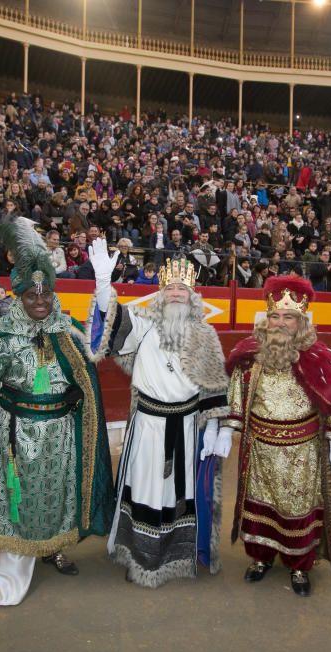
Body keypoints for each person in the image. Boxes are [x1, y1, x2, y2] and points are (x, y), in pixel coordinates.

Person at [0, 217, 115, 606]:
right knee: (18, 500)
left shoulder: (68, 331)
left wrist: (104, 289)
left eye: (46, 294)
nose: (40, 301)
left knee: (57, 496)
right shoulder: (1, 333)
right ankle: (13, 565)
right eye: (32, 295)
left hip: (62, 434)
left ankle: (52, 548)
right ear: (19, 295)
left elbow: (96, 356)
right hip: (16, 435)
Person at [89, 241, 229, 588]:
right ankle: (137, 555)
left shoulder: (205, 335)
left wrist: (216, 427)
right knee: (144, 488)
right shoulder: (143, 325)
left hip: (185, 428)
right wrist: (104, 284)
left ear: (193, 295)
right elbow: (111, 322)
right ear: (161, 293)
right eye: (171, 288)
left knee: (176, 494)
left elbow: (214, 385)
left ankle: (173, 555)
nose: (177, 293)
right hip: (148, 425)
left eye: (183, 288)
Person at [221, 275, 331, 597]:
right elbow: (236, 395)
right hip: (260, 451)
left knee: (297, 510)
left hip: (303, 454)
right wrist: (228, 428)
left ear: (302, 321)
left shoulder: (320, 356)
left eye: (289, 317)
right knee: (260, 507)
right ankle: (261, 558)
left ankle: (299, 566)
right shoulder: (249, 355)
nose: (281, 323)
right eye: (276, 316)